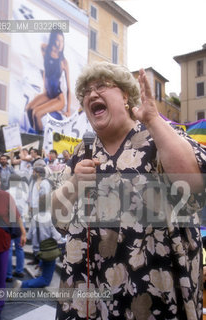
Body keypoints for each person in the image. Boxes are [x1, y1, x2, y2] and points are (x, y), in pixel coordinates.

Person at [51, 61, 206, 320]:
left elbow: (194, 184)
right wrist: (74, 183)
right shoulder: (81, 151)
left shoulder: (160, 134)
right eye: (86, 91)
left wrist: (154, 120)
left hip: (150, 289)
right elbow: (57, 217)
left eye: (101, 86)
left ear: (125, 95)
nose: (92, 94)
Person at [14, 195, 66, 289]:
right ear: (49, 205)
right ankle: (23, 284)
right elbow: (57, 236)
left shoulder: (34, 218)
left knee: (44, 256)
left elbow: (29, 236)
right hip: (48, 252)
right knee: (46, 280)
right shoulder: (50, 218)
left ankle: (41, 266)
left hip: (37, 251)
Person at [26, 29, 71, 133]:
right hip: (47, 94)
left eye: (62, 41)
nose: (60, 44)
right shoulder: (45, 50)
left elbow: (68, 88)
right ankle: (34, 132)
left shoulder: (64, 62)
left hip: (58, 98)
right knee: (29, 109)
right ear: (53, 40)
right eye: (57, 40)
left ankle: (40, 139)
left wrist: (68, 110)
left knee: (36, 114)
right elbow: (45, 72)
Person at [0, 170, 26, 320]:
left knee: (0, 279)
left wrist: (23, 233)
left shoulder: (6, 196)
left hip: (2, 244)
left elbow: (17, 216)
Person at [6, 174, 29, 282]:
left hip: (9, 222)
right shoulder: (24, 193)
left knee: (9, 248)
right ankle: (19, 271)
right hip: (21, 221)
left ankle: (8, 274)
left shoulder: (6, 193)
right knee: (19, 247)